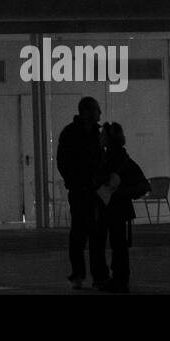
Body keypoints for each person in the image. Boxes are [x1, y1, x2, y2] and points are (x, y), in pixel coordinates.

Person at [56, 96, 107, 289]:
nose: (99, 114)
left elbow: (63, 162)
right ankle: (95, 274)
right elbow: (64, 163)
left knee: (87, 234)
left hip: (87, 190)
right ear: (87, 112)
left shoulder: (74, 133)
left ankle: (84, 274)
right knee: (85, 234)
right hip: (82, 190)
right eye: (96, 110)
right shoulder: (79, 134)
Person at [98, 122, 148, 293]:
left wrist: (118, 192)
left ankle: (120, 278)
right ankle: (120, 277)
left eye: (103, 135)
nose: (100, 137)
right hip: (119, 207)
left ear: (109, 139)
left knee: (118, 243)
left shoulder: (114, 157)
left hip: (115, 207)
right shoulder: (120, 156)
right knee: (118, 243)